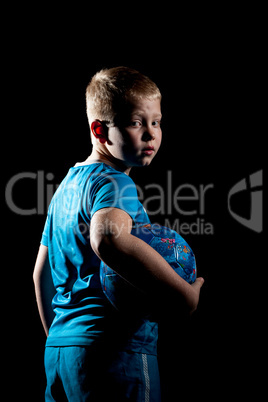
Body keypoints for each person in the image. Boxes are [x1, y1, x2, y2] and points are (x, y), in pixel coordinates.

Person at [33, 66, 204, 401]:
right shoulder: (114, 182)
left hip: (60, 353)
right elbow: (108, 239)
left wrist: (63, 336)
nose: (151, 134)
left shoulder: (64, 190)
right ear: (100, 130)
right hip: (115, 353)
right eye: (136, 122)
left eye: (156, 121)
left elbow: (41, 274)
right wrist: (184, 296)